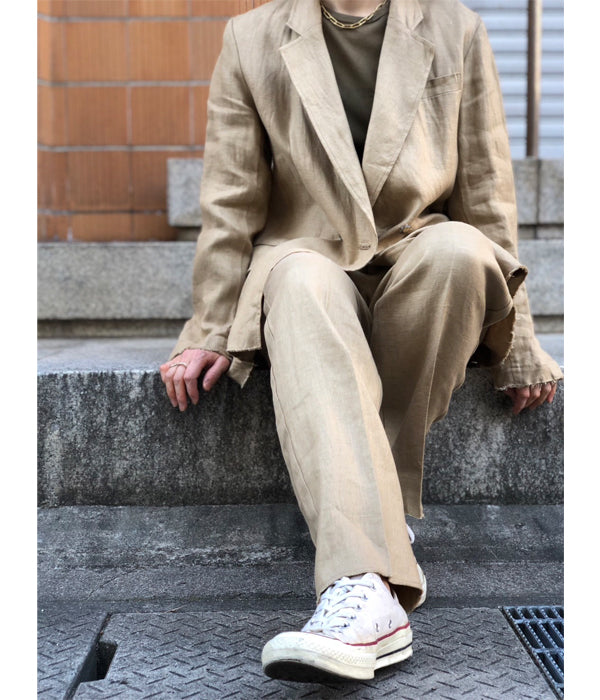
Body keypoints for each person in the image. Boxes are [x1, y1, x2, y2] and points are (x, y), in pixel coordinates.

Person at [160, 0, 563, 683]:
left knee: (462, 253)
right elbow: (231, 198)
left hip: (417, 250)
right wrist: (210, 328)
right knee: (299, 282)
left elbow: (487, 191)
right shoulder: (251, 37)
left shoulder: (456, 28)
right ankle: (364, 581)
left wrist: (519, 342)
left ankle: (365, 531)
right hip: (307, 253)